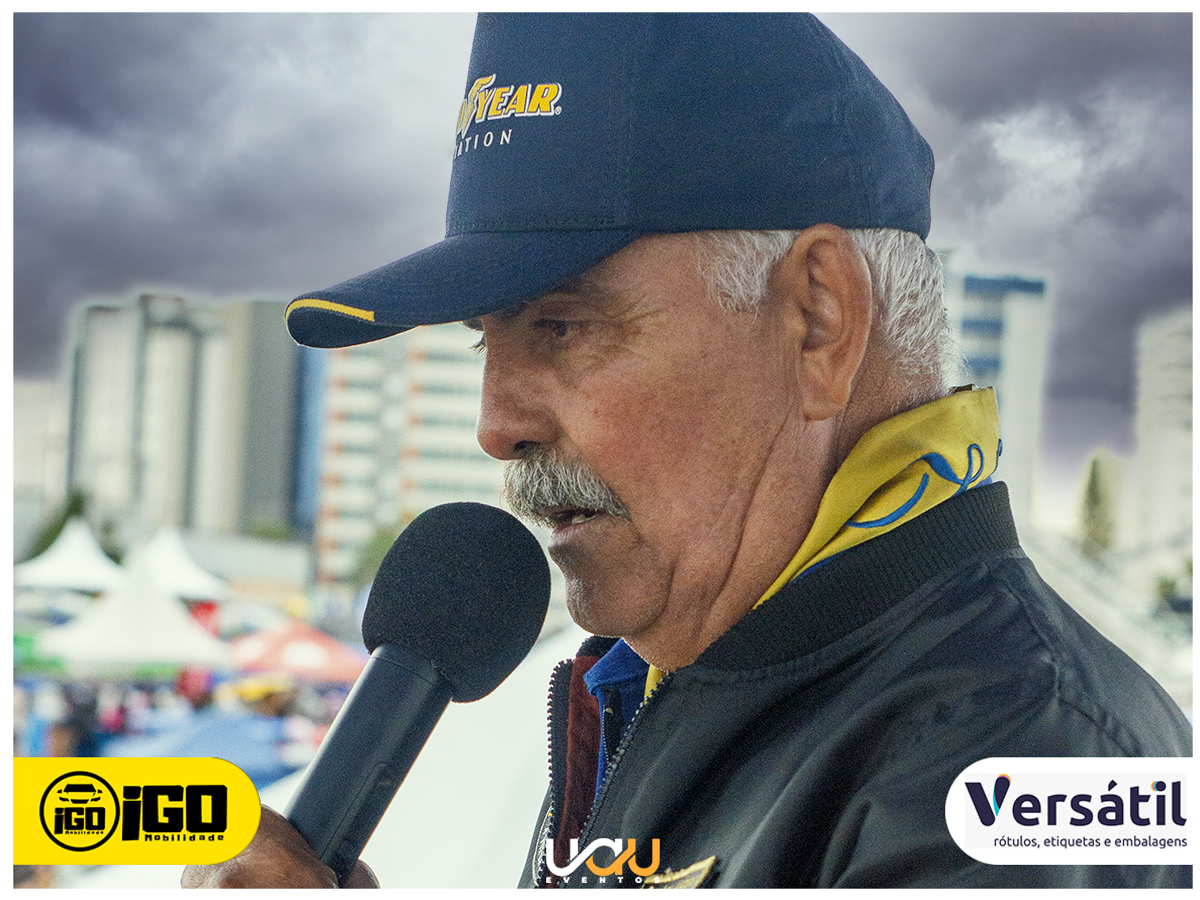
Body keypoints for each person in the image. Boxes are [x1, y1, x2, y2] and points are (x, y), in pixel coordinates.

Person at [184, 13, 1191, 889]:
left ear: (819, 319)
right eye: (485, 341)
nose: (495, 425)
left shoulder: (1029, 764)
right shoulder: (668, 676)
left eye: (561, 326)